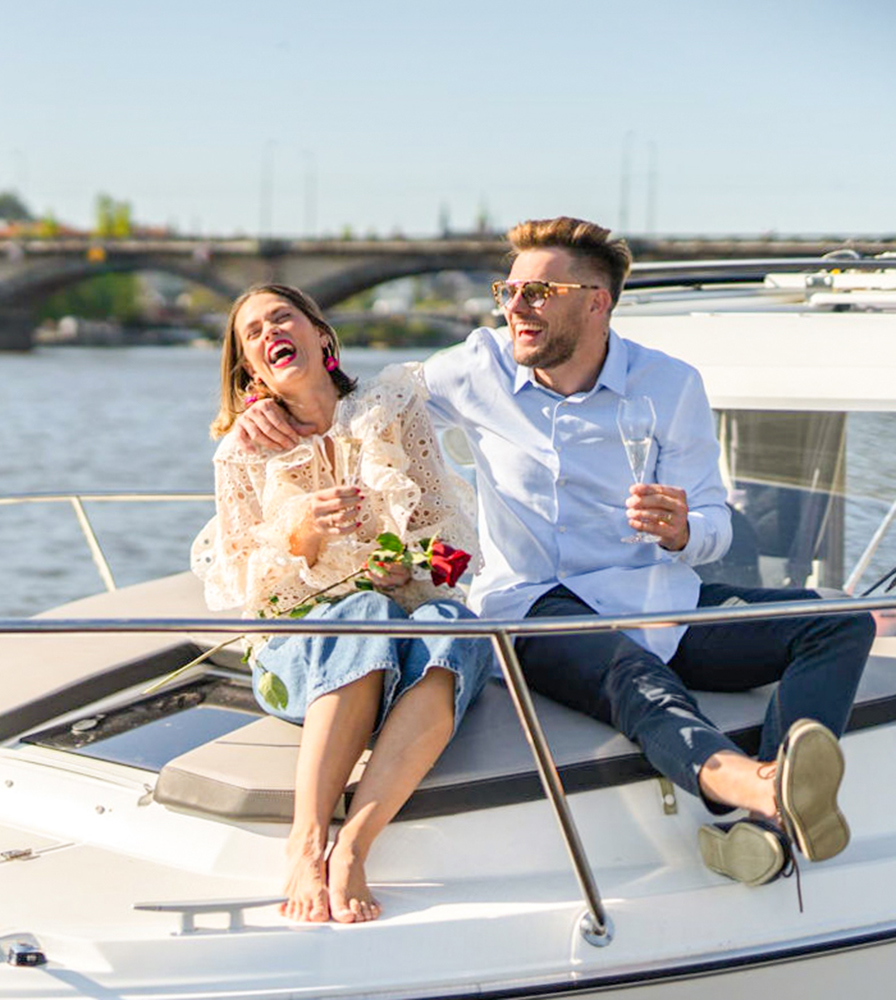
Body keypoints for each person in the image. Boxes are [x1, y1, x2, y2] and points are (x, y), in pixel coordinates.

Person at [235, 218, 875, 887]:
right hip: (531, 606)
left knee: (837, 620)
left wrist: (685, 531)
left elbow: (712, 521)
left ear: (595, 301)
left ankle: (766, 830)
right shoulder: (477, 368)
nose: (515, 307)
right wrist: (262, 401)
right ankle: (767, 791)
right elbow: (361, 402)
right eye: (507, 291)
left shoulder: (669, 385)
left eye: (538, 293)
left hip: (659, 599)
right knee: (641, 685)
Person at [192, 284, 492, 923]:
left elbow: (453, 549)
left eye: (283, 317)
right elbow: (243, 586)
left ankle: (354, 843)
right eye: (253, 332)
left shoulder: (391, 409)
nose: (270, 331)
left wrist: (406, 569)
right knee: (364, 615)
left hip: (404, 634)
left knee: (456, 622)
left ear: (321, 336)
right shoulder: (242, 451)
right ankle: (306, 841)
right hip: (296, 659)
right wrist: (301, 537)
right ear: (249, 366)